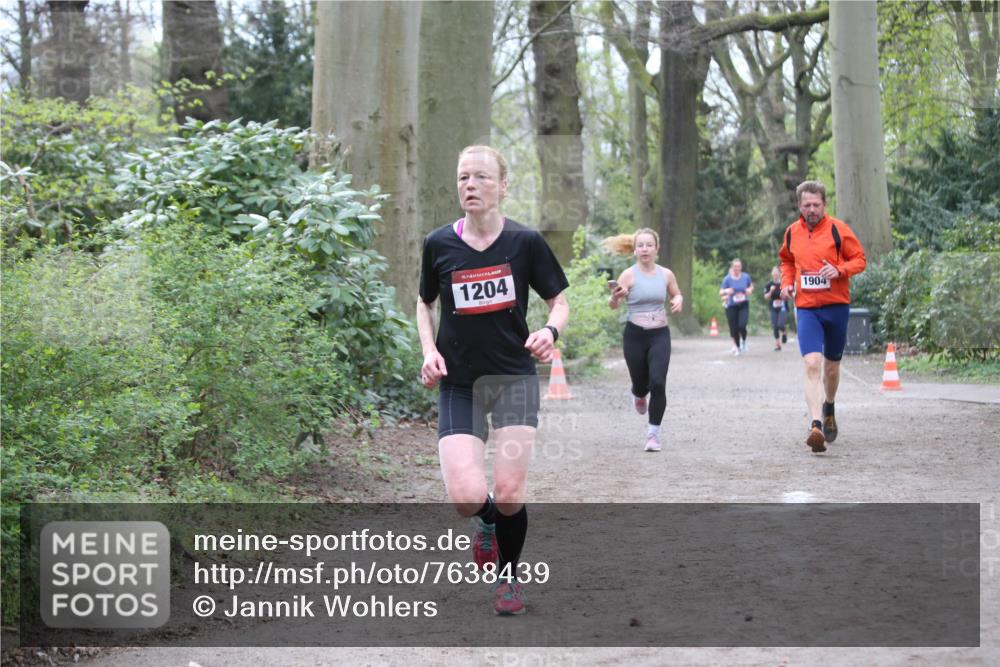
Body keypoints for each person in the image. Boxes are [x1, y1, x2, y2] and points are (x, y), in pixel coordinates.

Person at [416, 145, 569, 615]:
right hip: (460, 382)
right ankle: (485, 524)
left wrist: (549, 331)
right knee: (466, 497)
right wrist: (429, 351)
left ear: (502, 186)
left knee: (508, 493)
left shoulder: (525, 242)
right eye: (463, 177)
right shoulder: (438, 244)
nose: (470, 185)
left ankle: (509, 580)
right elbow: (424, 304)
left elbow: (560, 301)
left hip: (512, 379)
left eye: (481, 177)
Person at [779, 180, 866, 453]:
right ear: (799, 205)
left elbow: (860, 259)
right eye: (807, 205)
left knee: (831, 367)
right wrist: (786, 283)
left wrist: (839, 270)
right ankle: (815, 425)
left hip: (836, 306)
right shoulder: (792, 232)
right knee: (812, 363)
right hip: (807, 308)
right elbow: (787, 261)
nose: (812, 209)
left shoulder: (839, 230)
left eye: (816, 205)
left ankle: (829, 406)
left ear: (824, 204)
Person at [606, 228, 683, 452]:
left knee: (658, 382)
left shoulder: (666, 274)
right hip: (635, 336)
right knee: (641, 384)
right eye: (640, 245)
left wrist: (678, 300)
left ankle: (653, 435)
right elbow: (613, 305)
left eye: (649, 245)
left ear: (657, 249)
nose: (645, 249)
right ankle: (639, 394)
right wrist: (615, 297)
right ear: (635, 250)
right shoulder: (628, 275)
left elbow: (676, 293)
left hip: (659, 334)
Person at [720, 258, 753, 355]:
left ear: (741, 267)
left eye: (738, 266)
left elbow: (751, 286)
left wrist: (749, 290)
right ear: (732, 267)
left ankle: (744, 341)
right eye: (735, 266)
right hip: (732, 306)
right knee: (734, 327)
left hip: (743, 304)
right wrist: (726, 291)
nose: (737, 268)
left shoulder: (746, 277)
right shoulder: (727, 279)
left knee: (742, 325)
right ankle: (737, 348)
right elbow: (721, 292)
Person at [763, 266, 789, 351]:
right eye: (773, 272)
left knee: (780, 324)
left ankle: (784, 332)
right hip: (773, 307)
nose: (775, 274)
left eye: (776, 272)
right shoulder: (769, 284)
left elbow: (788, 296)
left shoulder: (784, 283)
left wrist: (784, 294)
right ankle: (777, 345)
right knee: (775, 325)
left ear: (780, 273)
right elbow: (765, 297)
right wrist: (771, 291)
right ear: (771, 274)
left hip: (783, 306)